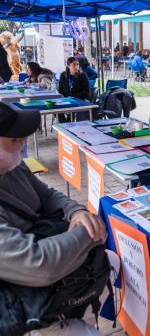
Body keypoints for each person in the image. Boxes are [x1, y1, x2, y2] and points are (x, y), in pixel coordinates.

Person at [0, 102, 108, 334]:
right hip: (26, 305)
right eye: (14, 139)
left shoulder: (12, 167)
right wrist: (87, 233)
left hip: (59, 283)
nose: (22, 144)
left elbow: (47, 195)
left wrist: (76, 212)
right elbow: (40, 264)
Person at [58, 57, 90, 122]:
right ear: (68, 66)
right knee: (57, 110)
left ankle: (68, 124)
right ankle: (65, 125)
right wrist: (64, 98)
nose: (76, 66)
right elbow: (60, 90)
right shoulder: (63, 75)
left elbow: (86, 92)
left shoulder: (83, 76)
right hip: (66, 100)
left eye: (77, 64)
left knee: (72, 110)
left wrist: (73, 97)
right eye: (74, 64)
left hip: (79, 100)